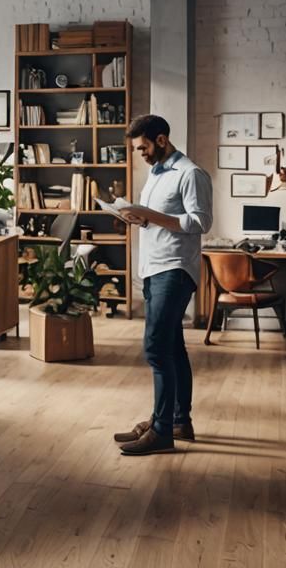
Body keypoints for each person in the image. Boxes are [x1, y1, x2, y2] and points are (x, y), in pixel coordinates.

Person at [112, 114, 212, 456]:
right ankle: (178, 421)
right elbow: (160, 221)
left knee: (155, 348)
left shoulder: (190, 173)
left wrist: (150, 215)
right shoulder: (154, 176)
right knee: (173, 347)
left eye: (143, 147)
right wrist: (138, 217)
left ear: (161, 140)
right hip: (154, 268)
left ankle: (161, 430)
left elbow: (200, 222)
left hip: (175, 269)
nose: (140, 154)